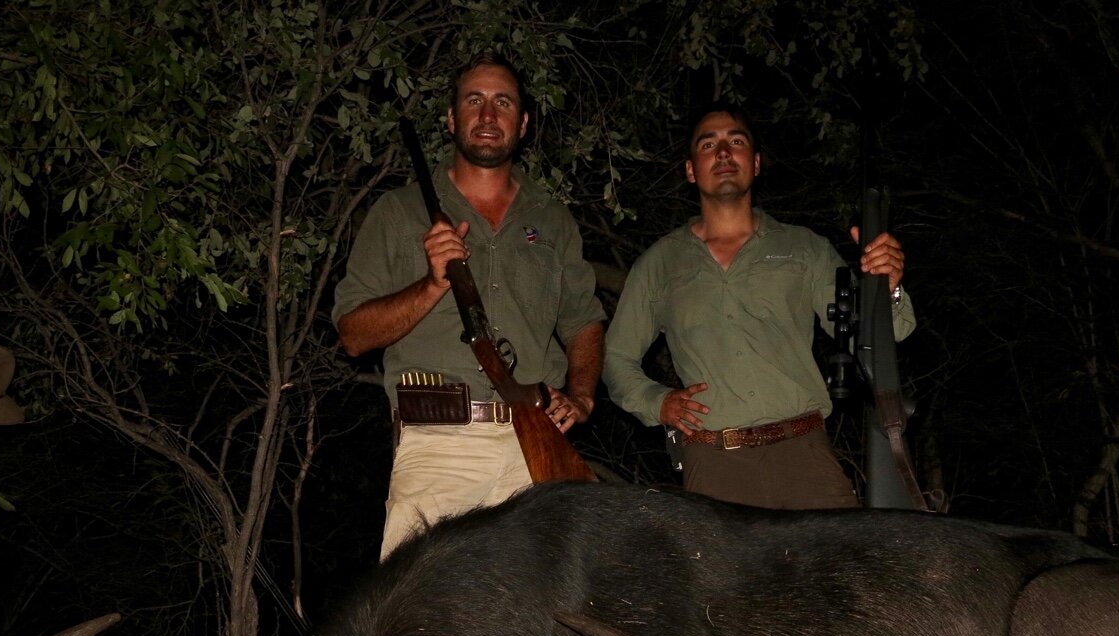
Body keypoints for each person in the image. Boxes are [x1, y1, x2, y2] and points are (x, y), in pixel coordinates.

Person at [333, 52, 604, 559]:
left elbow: (584, 321)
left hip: (537, 445)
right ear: (452, 119)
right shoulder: (397, 212)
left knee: (547, 623)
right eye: (473, 101)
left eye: (502, 102)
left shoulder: (553, 219)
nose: (487, 115)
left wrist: (583, 396)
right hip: (440, 445)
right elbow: (353, 335)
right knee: (425, 622)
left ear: (522, 124)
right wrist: (431, 285)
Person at [603, 106, 915, 510]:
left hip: (804, 456)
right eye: (708, 144)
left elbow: (879, 338)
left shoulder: (805, 249)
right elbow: (615, 358)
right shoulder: (659, 264)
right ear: (690, 170)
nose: (723, 152)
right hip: (713, 463)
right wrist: (656, 401)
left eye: (736, 141)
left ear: (756, 163)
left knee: (844, 571)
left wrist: (886, 286)